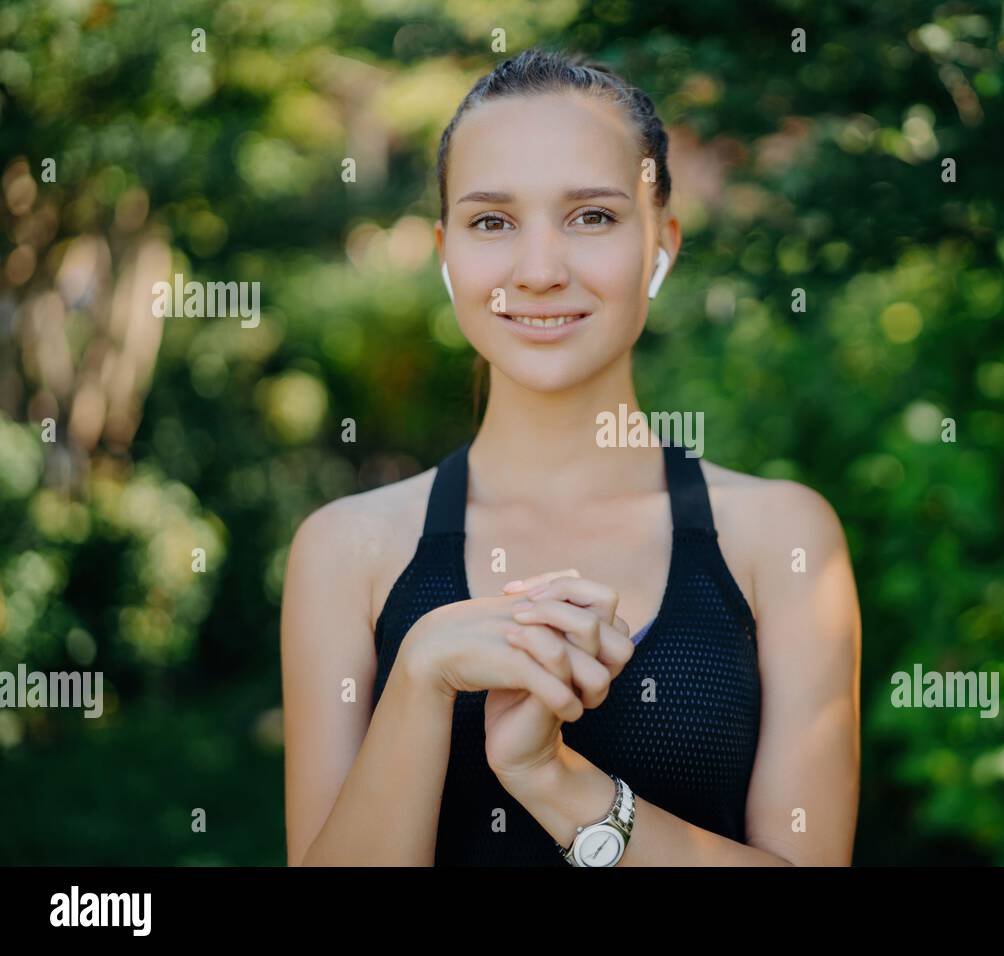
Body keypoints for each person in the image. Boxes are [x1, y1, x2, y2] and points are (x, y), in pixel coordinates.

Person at [281, 47, 861, 866]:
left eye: (592, 216)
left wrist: (555, 782)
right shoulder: (347, 551)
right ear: (446, 254)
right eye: (492, 222)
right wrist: (420, 679)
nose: (541, 271)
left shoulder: (781, 538)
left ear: (661, 244)